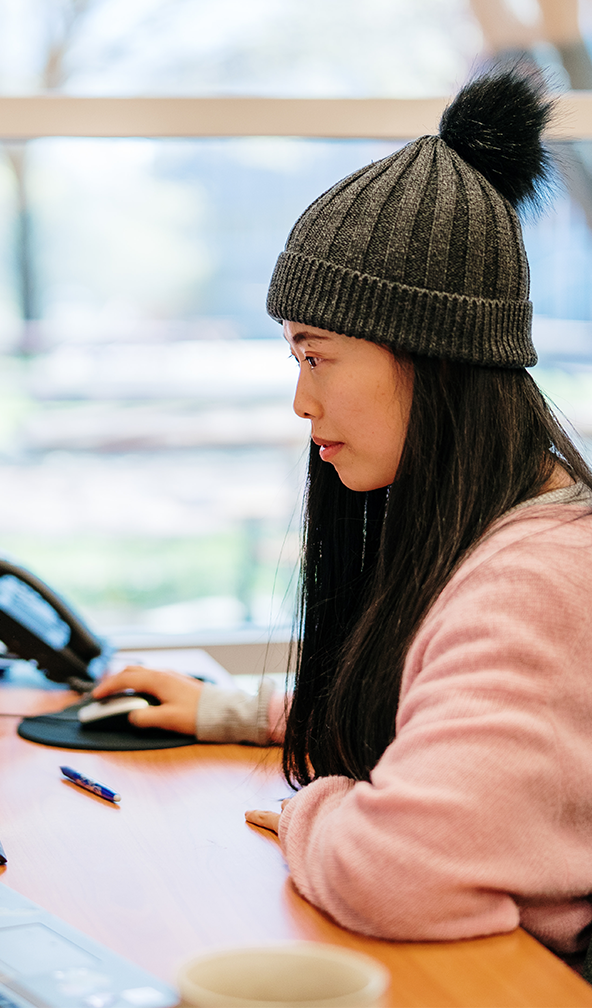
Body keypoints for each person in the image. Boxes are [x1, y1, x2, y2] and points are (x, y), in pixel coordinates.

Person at [93, 65, 592, 967]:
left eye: (317, 358)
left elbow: (394, 868)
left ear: (428, 356)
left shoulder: (533, 579)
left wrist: (310, 811)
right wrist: (231, 709)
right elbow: (442, 722)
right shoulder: (517, 522)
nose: (299, 401)